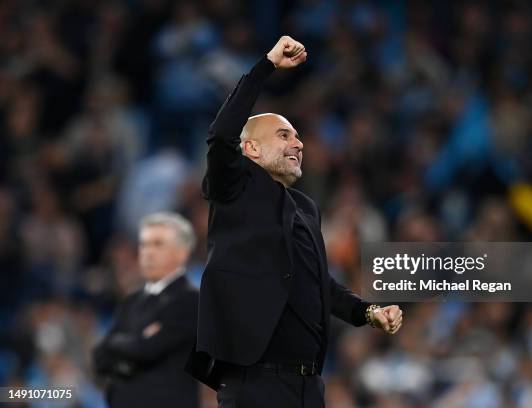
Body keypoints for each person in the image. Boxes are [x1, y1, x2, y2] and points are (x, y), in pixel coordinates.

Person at [185, 35, 403, 407]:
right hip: (254, 383)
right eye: (284, 135)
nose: (298, 143)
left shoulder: (305, 207)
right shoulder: (234, 190)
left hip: (308, 385)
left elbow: (320, 284)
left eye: (298, 136)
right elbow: (221, 136)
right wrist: (266, 65)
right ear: (250, 148)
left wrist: (367, 312)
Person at [93, 212, 199, 408]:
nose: (148, 253)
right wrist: (135, 343)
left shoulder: (189, 300)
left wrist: (122, 345)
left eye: (158, 245)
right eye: (145, 245)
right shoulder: (132, 302)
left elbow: (147, 349)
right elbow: (100, 358)